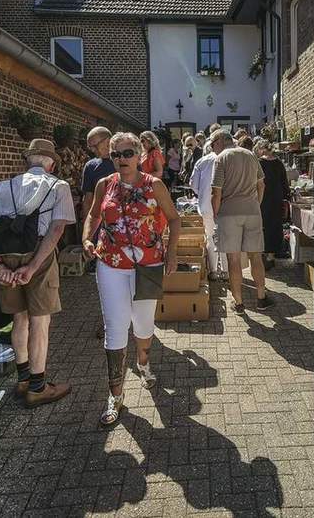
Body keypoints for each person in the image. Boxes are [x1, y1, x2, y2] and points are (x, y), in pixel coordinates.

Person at [82, 132, 181, 426]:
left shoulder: (155, 185)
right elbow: (93, 215)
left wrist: (172, 253)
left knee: (143, 324)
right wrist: (88, 238)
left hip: (148, 265)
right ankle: (115, 394)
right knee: (115, 326)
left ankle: (143, 362)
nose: (122, 159)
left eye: (127, 153)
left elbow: (174, 219)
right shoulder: (104, 185)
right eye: (116, 154)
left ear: (139, 155)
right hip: (110, 263)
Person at [0, 138, 75, 407]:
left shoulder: (2, 187)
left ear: (28, 160)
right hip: (40, 254)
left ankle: (23, 378)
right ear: (51, 163)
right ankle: (38, 387)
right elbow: (57, 230)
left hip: (6, 255)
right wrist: (33, 266)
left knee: (19, 318)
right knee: (40, 321)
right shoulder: (58, 186)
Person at [210, 129, 271, 312]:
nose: (213, 147)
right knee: (256, 257)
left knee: (233, 259)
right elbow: (261, 184)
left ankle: (238, 303)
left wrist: (216, 213)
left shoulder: (221, 158)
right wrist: (256, 204)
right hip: (252, 211)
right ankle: (261, 297)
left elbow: (216, 191)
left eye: (213, 143)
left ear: (220, 141)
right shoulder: (250, 155)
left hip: (229, 213)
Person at [81, 126, 117, 340]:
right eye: (91, 146)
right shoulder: (91, 167)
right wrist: (86, 232)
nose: (94, 150)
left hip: (125, 230)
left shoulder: (125, 159)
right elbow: (87, 201)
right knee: (104, 279)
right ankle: (107, 321)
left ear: (109, 139)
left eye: (97, 144)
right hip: (101, 231)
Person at [189, 137, 227, 281]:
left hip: (207, 205)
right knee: (225, 238)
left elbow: (193, 184)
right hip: (225, 205)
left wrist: (202, 193)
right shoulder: (227, 158)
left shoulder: (202, 161)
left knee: (210, 237)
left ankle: (214, 271)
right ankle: (226, 271)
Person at [254, 139, 291, 262]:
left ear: (261, 149)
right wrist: (286, 196)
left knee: (263, 224)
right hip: (277, 196)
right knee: (275, 224)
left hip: (263, 196)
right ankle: (272, 254)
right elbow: (284, 182)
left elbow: (256, 181)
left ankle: (264, 252)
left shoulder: (259, 163)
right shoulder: (279, 163)